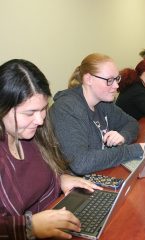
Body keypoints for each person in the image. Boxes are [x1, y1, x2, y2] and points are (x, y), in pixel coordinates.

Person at [0, 59, 101, 239]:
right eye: (29, 113)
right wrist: (28, 227)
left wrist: (60, 178)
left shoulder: (31, 134)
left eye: (43, 109)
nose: (40, 120)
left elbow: (36, 175)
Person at [50, 53, 144, 175]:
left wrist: (123, 136)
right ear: (89, 79)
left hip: (102, 172)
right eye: (109, 80)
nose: (116, 85)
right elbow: (81, 163)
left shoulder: (103, 102)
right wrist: (134, 150)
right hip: (77, 185)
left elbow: (132, 123)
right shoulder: (66, 108)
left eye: (117, 79)